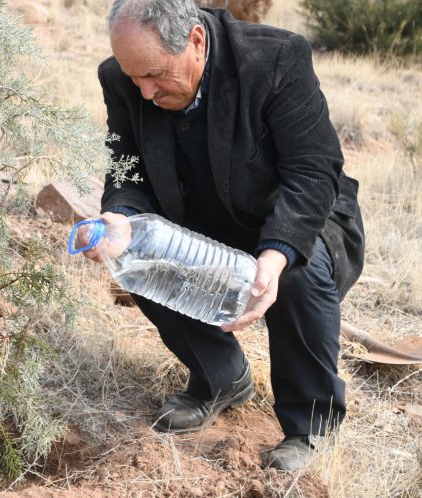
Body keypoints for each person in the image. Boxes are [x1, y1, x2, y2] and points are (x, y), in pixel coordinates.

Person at [80, 0, 365, 471]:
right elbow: (126, 172)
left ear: (195, 41)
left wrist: (273, 258)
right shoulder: (121, 77)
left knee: (297, 269)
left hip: (298, 212)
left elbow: (313, 172)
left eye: (155, 75)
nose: (146, 93)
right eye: (136, 79)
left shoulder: (274, 58)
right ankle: (222, 377)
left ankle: (310, 426)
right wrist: (123, 217)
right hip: (201, 215)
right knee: (136, 254)